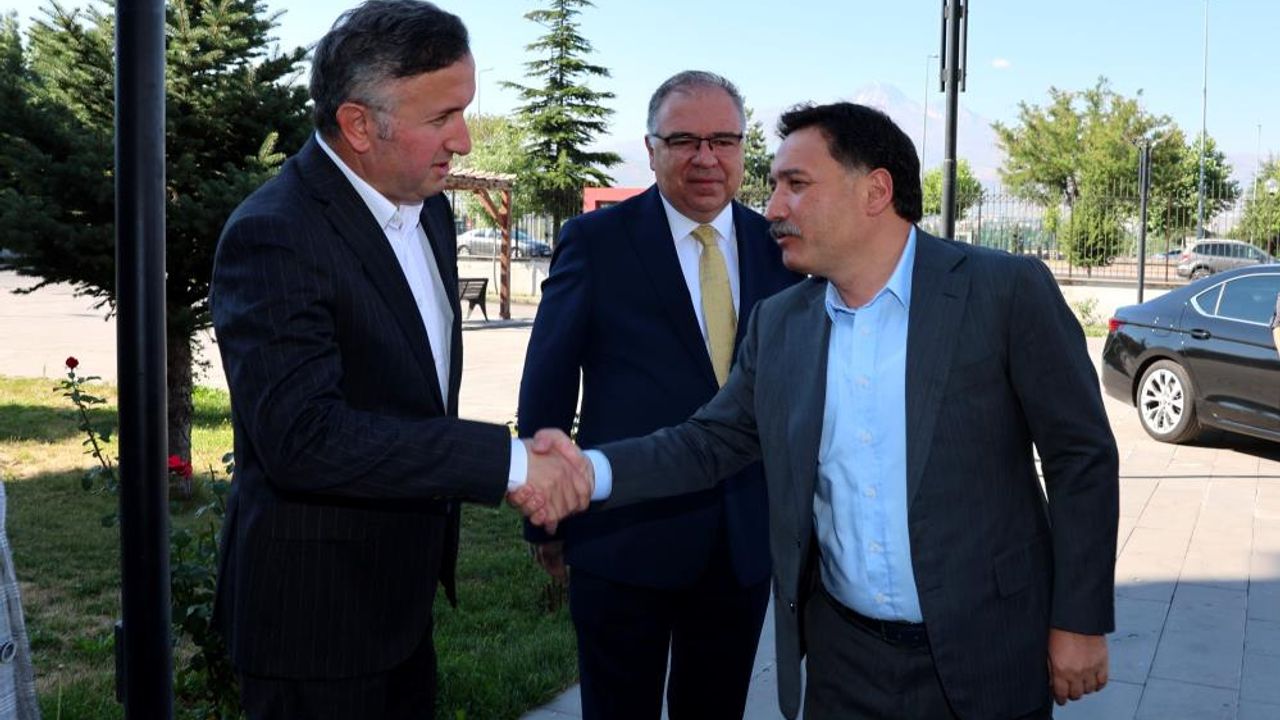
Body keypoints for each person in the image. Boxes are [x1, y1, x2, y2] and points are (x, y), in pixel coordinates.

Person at [519, 102, 1120, 720]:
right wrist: (589, 472)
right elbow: (708, 442)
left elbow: (1081, 457)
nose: (773, 208)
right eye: (775, 186)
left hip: (988, 652)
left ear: (875, 191)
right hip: (844, 663)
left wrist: (1078, 618)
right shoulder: (782, 322)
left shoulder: (1003, 291)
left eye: (796, 185)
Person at [209, 2, 590, 718]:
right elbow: (303, 439)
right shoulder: (275, 234)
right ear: (359, 125)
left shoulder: (430, 209)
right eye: (442, 117)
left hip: (403, 605)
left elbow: (408, 395)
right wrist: (507, 463)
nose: (465, 140)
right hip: (314, 626)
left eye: (465, 111)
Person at [517, 71, 801, 720]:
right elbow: (548, 382)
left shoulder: (779, 247)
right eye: (684, 141)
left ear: (743, 148)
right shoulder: (596, 242)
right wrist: (544, 512)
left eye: (723, 140)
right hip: (623, 538)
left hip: (741, 541)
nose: (706, 158)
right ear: (651, 149)